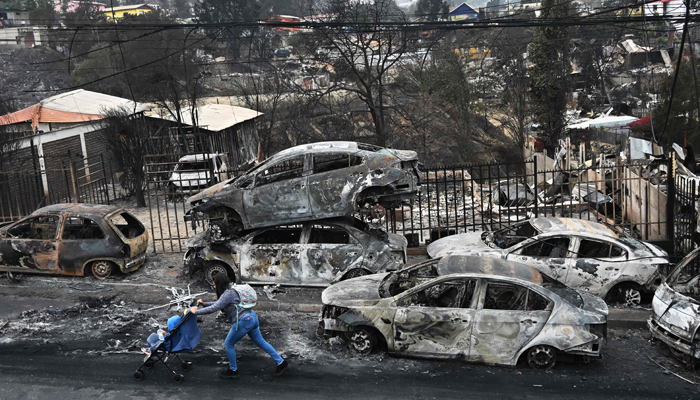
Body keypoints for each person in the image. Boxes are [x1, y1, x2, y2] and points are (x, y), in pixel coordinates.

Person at [190, 273, 289, 379]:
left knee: (229, 343)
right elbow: (219, 303)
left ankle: (233, 370)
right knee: (262, 342)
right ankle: (281, 363)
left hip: (244, 321)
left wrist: (195, 312)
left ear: (219, 284)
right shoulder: (231, 289)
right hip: (251, 318)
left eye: (215, 285)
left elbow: (215, 308)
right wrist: (205, 304)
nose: (214, 287)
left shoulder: (228, 294)